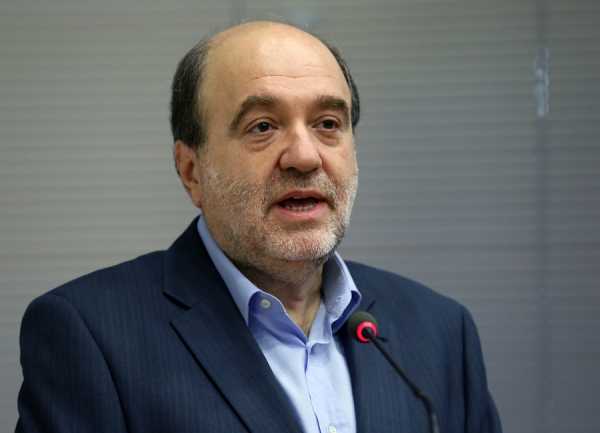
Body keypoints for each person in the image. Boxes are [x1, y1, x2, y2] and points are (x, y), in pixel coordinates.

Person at [15, 20, 502, 433]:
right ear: (192, 171)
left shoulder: (439, 331)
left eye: (328, 124)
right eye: (262, 126)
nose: (305, 156)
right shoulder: (90, 336)